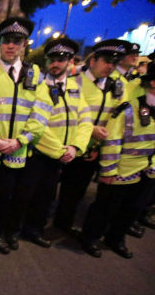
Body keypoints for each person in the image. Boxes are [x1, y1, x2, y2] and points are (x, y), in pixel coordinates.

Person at [0, 17, 53, 254]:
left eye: (17, 40)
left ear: (25, 43)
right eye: (6, 40)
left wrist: (20, 140)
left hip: (18, 150)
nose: (11, 45)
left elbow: (41, 112)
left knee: (6, 199)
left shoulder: (35, 74)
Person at [11, 37, 93, 248]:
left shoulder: (75, 88)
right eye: (52, 59)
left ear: (70, 61)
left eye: (61, 59)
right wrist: (59, 150)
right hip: (39, 153)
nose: (55, 63)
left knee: (46, 197)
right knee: (24, 194)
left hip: (63, 154)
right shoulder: (38, 86)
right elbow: (37, 123)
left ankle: (34, 230)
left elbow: (85, 120)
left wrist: (75, 147)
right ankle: (12, 230)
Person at [53, 39, 129, 247]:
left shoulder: (117, 85)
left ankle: (63, 223)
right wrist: (91, 130)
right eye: (106, 61)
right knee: (50, 187)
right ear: (93, 59)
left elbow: (119, 115)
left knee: (76, 190)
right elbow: (63, 112)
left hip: (92, 150)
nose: (110, 66)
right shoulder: (74, 80)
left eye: (114, 62)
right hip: (67, 143)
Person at [80, 60, 155, 258]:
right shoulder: (128, 109)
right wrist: (108, 170)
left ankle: (116, 238)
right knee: (104, 208)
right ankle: (90, 238)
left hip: (145, 172)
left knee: (132, 210)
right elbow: (112, 140)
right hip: (120, 171)